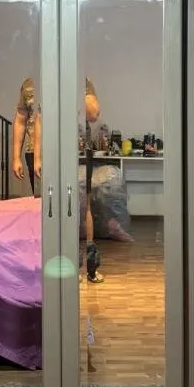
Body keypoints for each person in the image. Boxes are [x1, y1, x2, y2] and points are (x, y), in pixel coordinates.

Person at [82, 77, 104, 284]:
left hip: (82, 153)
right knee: (60, 209)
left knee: (85, 205)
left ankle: (90, 267)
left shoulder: (84, 82)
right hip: (57, 151)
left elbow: (93, 114)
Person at [13, 77, 41, 195]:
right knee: (42, 201)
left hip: (65, 152)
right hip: (33, 152)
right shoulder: (29, 84)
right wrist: (16, 158)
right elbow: (20, 120)